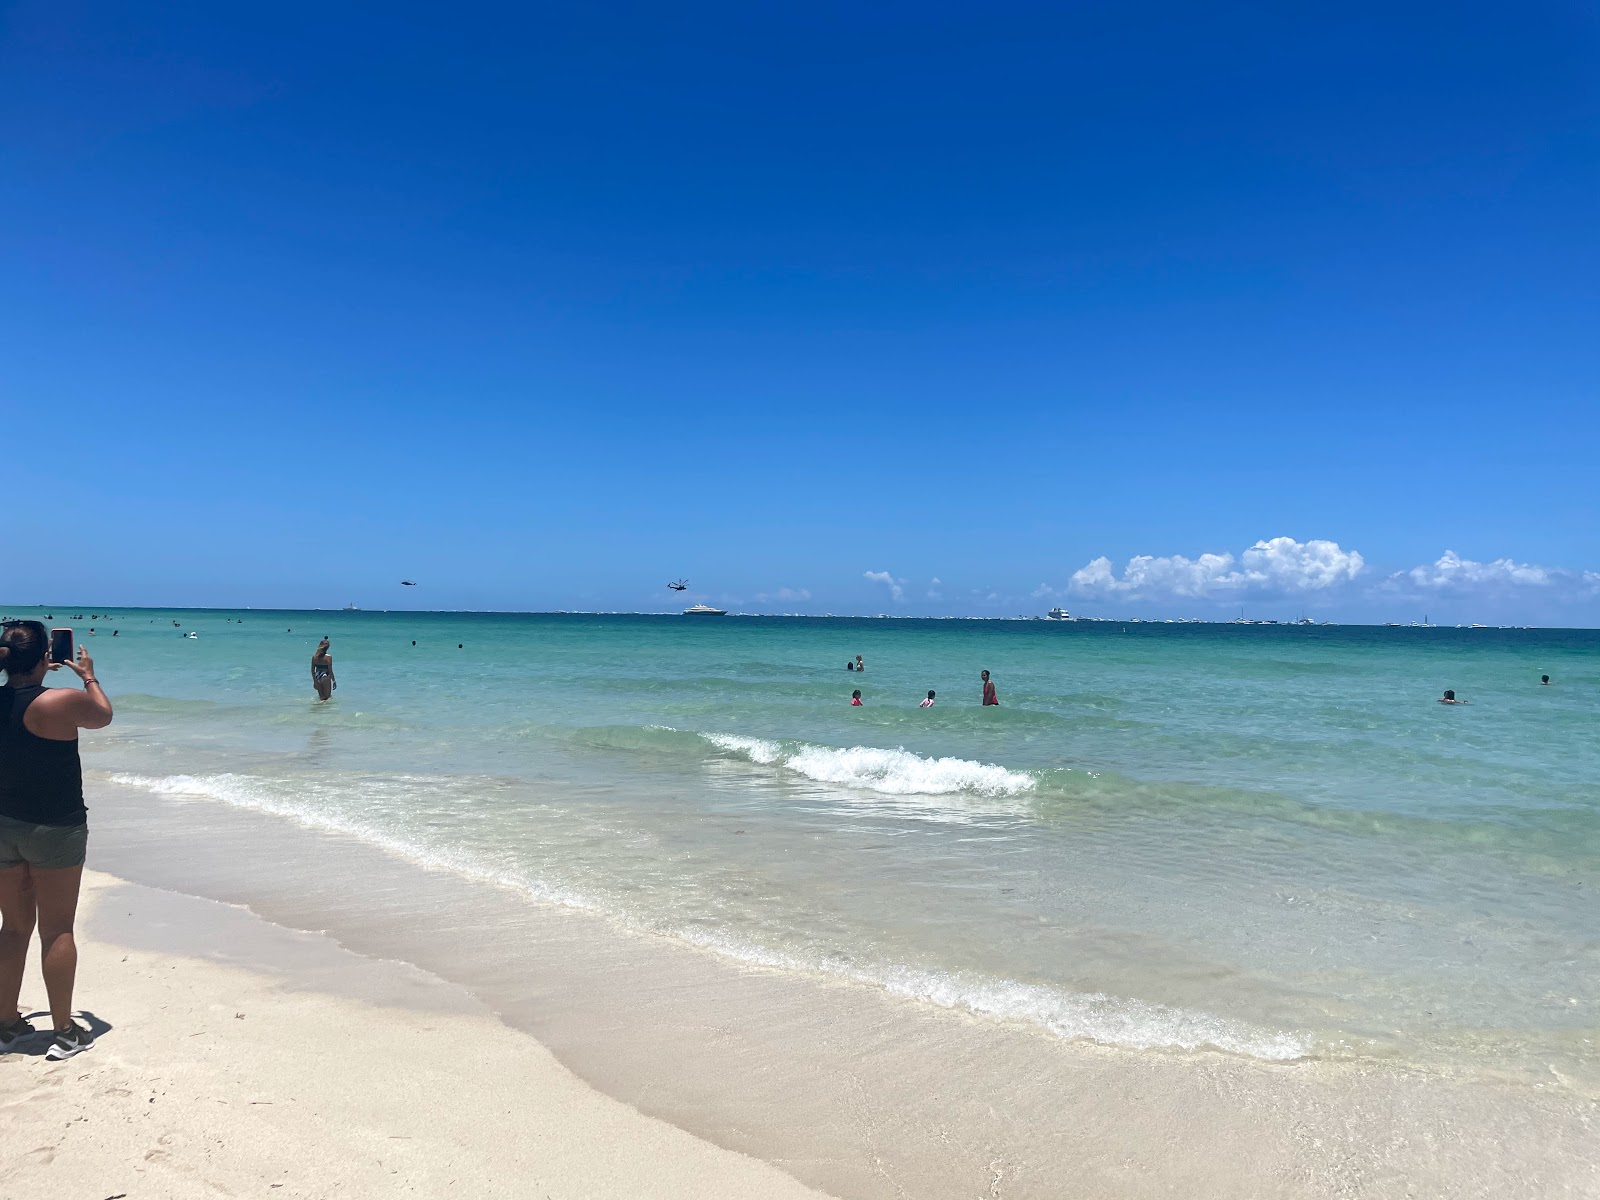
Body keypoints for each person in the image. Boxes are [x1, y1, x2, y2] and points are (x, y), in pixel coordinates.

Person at [0, 621, 113, 1060]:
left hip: (4, 825)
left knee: (13, 927)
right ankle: (65, 1032)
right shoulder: (61, 700)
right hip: (56, 829)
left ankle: (7, 1023)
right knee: (57, 929)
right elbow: (102, 715)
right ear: (47, 656)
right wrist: (87, 674)